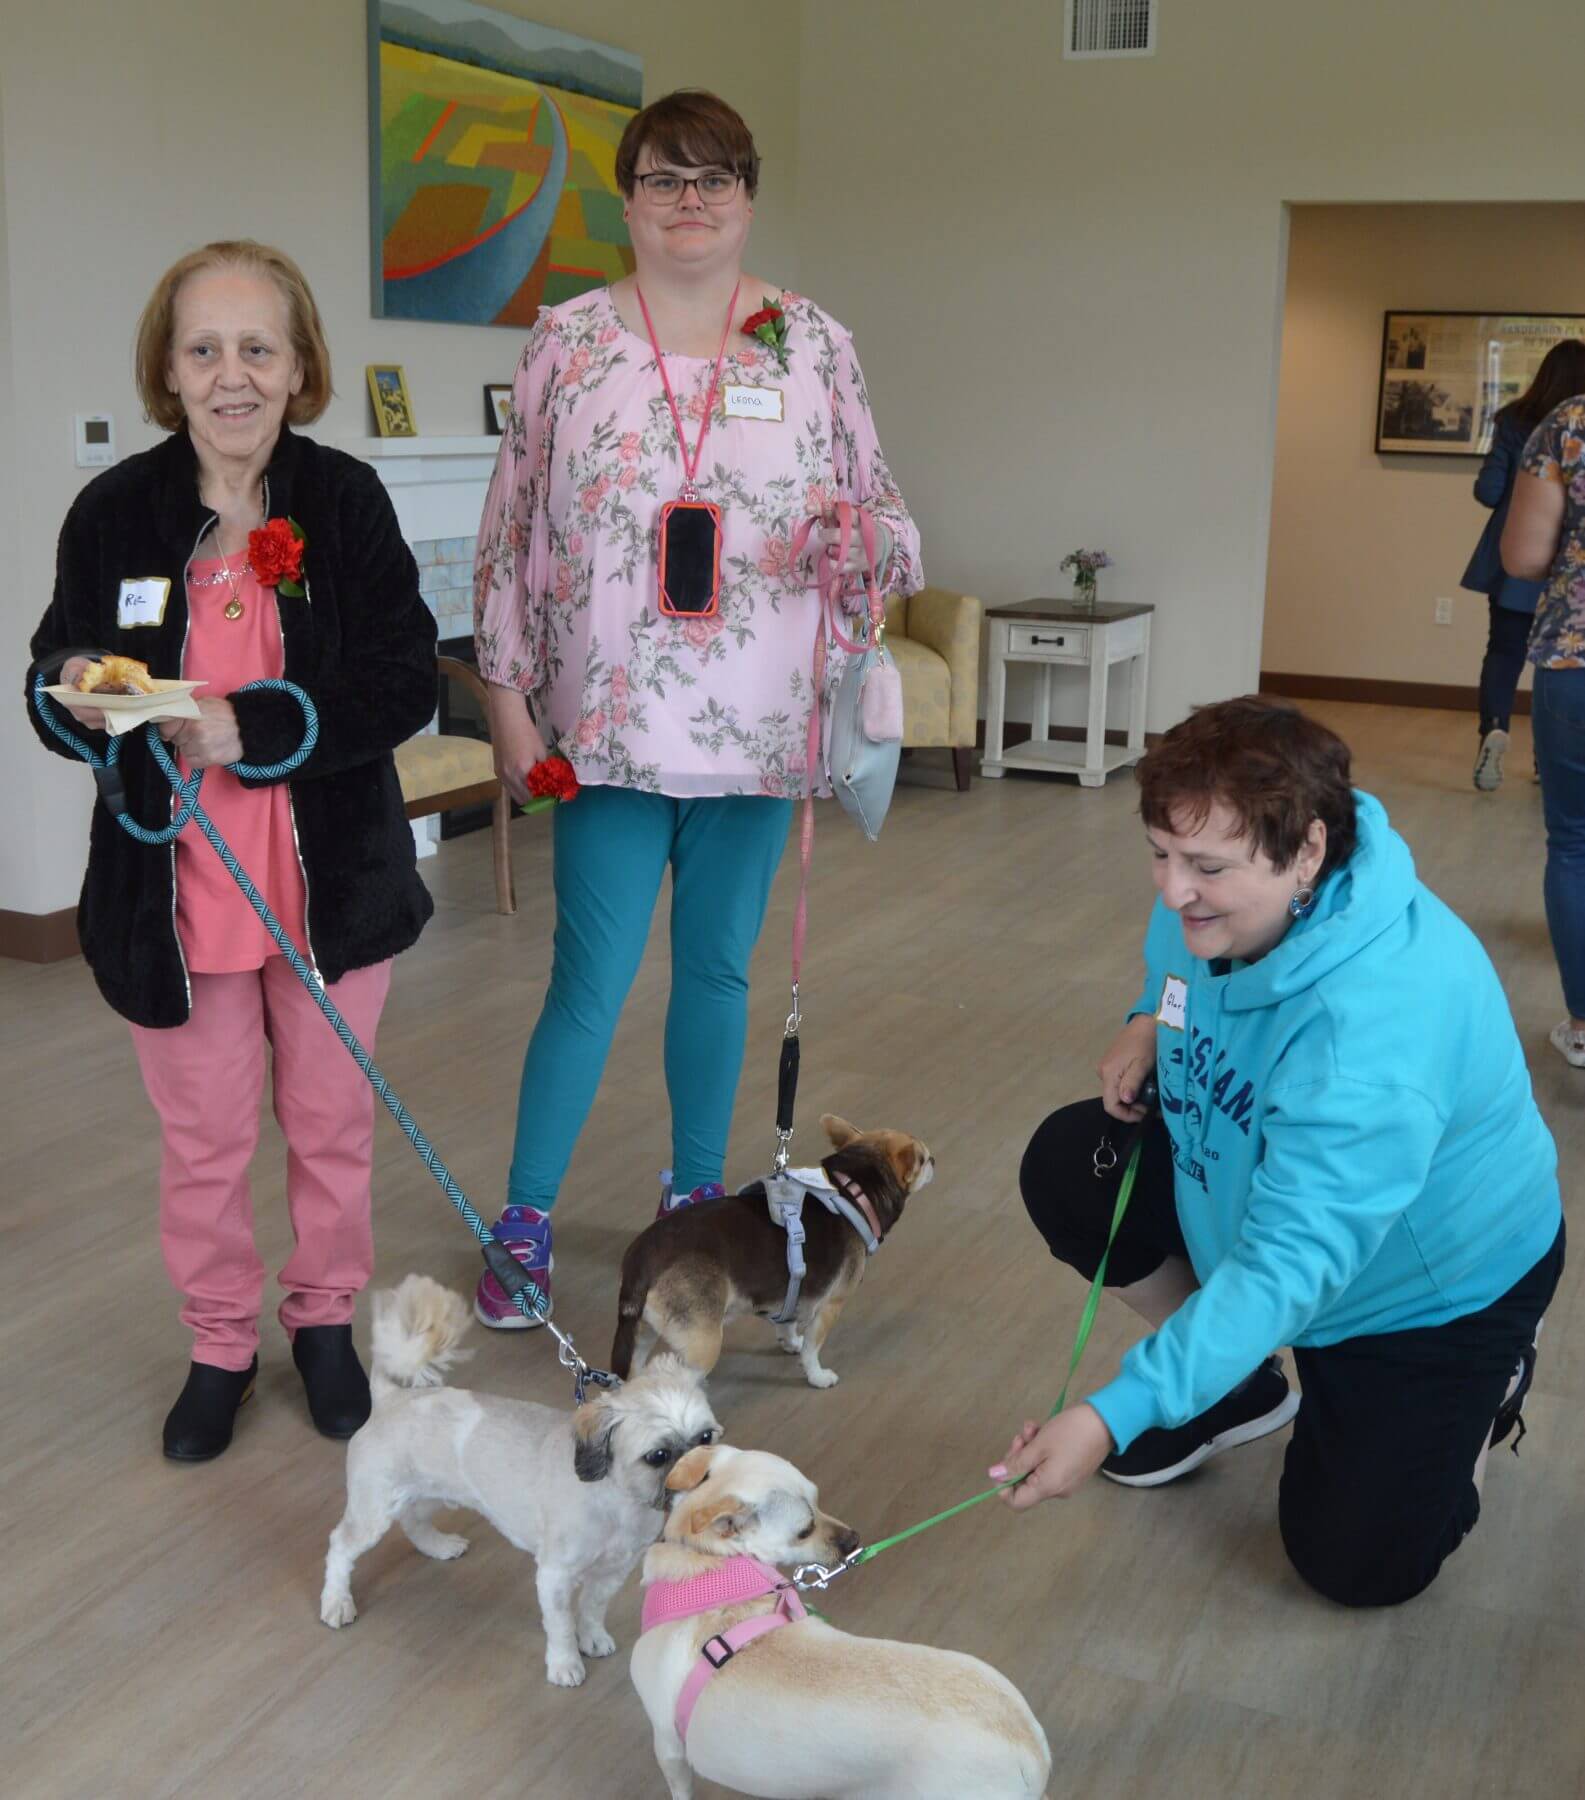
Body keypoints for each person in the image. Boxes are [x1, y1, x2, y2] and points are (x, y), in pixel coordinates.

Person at [472, 90, 921, 1327]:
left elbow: (891, 524)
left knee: (717, 978)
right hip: (609, 725)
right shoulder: (567, 339)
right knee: (589, 981)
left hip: (757, 732)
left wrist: (858, 539)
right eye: (665, 179)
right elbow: (509, 537)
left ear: (748, 197)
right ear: (624, 199)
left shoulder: (812, 344)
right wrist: (507, 700)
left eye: (714, 179)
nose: (689, 202)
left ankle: (694, 1210)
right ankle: (523, 1217)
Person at [992, 698, 1563, 1608]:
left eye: (1205, 867)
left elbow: (1288, 1264)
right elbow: (1172, 947)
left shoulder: (1368, 1038)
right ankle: (1235, 1388)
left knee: (1355, 1568)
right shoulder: (1239, 892)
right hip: (1268, 1210)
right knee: (1074, 1159)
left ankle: (1484, 1386)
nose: (1173, 889)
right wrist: (1149, 1016)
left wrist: (1113, 1413)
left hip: (1421, 1294)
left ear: (1305, 851)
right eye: (1159, 853)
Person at [25, 242, 437, 1460]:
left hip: (330, 888)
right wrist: (70, 695)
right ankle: (218, 1344)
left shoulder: (345, 501)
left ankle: (320, 1327)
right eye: (203, 349)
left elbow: (403, 681)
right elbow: (53, 673)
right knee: (203, 1139)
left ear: (299, 364)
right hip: (176, 889)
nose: (232, 375)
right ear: (168, 367)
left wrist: (240, 724)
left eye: (258, 348)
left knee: (329, 1124)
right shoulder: (116, 511)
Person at [1502, 386, 1585, 1069]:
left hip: (1577, 660)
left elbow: (1524, 558)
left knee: (1576, 844)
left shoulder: (1570, 421)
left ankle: (1584, 1026)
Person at [1461, 340, 1585, 790]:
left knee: (1504, 651)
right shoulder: (1577, 427)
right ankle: (1543, 760)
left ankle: (1494, 728)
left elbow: (1489, 492)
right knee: (1557, 663)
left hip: (1515, 556)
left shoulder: (1514, 419)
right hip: (1570, 567)